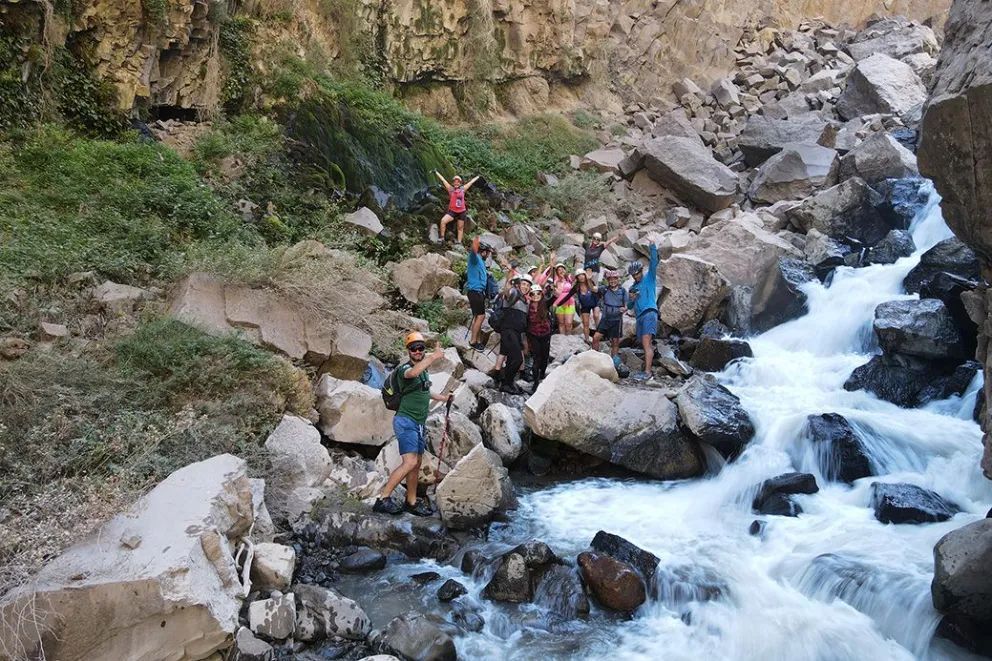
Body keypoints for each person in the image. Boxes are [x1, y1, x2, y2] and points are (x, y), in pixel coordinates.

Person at [373, 332, 453, 516]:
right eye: (413, 348)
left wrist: (443, 397)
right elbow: (413, 373)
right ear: (408, 350)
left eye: (420, 348)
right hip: (405, 421)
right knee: (409, 463)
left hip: (418, 424)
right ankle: (382, 498)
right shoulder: (405, 370)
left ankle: (411, 501)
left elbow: (425, 390)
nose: (417, 351)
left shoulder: (423, 371)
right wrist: (434, 356)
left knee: (416, 464)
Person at [627, 242, 660, 379]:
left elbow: (654, 262)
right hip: (640, 317)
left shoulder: (649, 278)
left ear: (641, 271)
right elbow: (629, 306)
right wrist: (632, 299)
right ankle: (651, 363)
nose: (636, 276)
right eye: (634, 275)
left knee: (646, 343)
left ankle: (647, 372)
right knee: (645, 343)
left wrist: (652, 246)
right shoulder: (633, 288)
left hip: (649, 313)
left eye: (638, 273)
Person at [497, 274, 531, 394]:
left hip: (517, 333)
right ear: (518, 285)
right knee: (517, 359)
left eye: (528, 285)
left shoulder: (525, 302)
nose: (525, 287)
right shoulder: (513, 294)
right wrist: (508, 280)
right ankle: (506, 383)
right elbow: (506, 292)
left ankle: (508, 382)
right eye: (523, 284)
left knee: (512, 359)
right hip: (508, 330)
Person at [434, 171, 480, 243]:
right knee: (443, 221)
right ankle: (442, 237)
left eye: (458, 182)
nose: (456, 183)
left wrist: (478, 177)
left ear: (460, 183)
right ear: (453, 183)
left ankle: (459, 242)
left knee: (460, 228)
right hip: (452, 211)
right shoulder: (450, 189)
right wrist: (436, 172)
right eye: (455, 182)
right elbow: (443, 180)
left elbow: (470, 183)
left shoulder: (463, 189)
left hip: (461, 212)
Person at [525, 281, 554, 394]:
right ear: (530, 296)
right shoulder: (527, 307)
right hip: (533, 336)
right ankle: (536, 382)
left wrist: (555, 291)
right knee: (537, 358)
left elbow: (555, 298)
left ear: (541, 295)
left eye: (538, 293)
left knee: (545, 357)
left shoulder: (545, 304)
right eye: (533, 294)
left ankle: (542, 374)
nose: (536, 296)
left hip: (545, 335)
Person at [466, 238, 494, 351]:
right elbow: (473, 252)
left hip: (478, 292)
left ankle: (476, 340)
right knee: (481, 316)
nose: (488, 255)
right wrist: (475, 243)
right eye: (487, 252)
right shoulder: (475, 259)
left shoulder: (481, 262)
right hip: (475, 291)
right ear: (483, 251)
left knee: (477, 316)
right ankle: (473, 341)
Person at [591, 270, 627, 358]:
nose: (612, 281)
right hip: (605, 319)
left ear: (618, 279)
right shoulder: (604, 289)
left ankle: (613, 362)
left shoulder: (623, 291)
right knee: (596, 338)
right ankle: (594, 358)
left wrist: (624, 309)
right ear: (608, 280)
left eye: (614, 279)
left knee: (615, 342)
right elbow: (593, 289)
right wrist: (589, 279)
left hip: (617, 320)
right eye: (610, 279)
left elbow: (626, 305)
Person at [572, 269, 599, 343]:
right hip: (585, 306)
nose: (581, 277)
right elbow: (568, 295)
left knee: (596, 316)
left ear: (585, 275)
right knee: (586, 323)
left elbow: (595, 290)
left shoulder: (590, 282)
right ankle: (587, 339)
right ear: (577, 278)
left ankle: (599, 334)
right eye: (579, 276)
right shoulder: (576, 287)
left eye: (582, 275)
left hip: (594, 303)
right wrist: (558, 303)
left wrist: (589, 279)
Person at [551, 263, 575, 335]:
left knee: (569, 323)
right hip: (559, 304)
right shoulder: (556, 281)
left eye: (562, 269)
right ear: (557, 272)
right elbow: (552, 269)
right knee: (561, 323)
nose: (561, 271)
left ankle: (568, 338)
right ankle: (562, 340)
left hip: (570, 303)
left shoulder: (569, 278)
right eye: (559, 270)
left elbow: (576, 276)